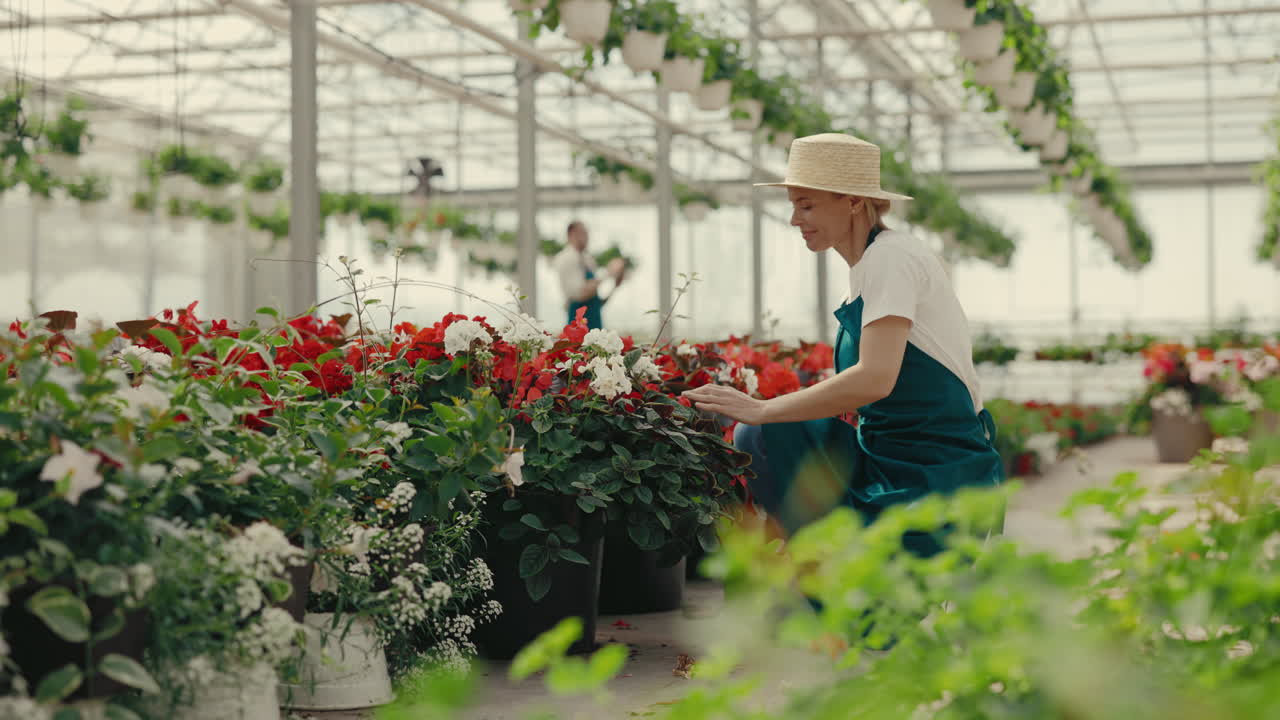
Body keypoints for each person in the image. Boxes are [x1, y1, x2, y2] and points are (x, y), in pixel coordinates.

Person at [683, 134, 1003, 557]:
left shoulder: (891, 259)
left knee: (759, 429)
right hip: (887, 457)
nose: (795, 218)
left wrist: (762, 408)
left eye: (807, 204)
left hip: (929, 472)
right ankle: (812, 561)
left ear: (853, 201)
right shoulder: (870, 264)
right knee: (760, 436)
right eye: (794, 204)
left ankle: (822, 569)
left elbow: (875, 378)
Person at [553, 220, 626, 330]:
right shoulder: (566, 258)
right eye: (583, 233)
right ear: (571, 234)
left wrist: (615, 284)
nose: (587, 237)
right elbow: (581, 293)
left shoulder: (587, 259)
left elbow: (596, 301)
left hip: (595, 324)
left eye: (587, 234)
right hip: (578, 328)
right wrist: (608, 273)